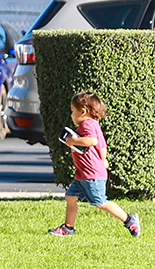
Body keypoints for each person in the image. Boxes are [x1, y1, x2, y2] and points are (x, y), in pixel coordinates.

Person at [52, 92, 141, 237]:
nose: (71, 114)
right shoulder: (94, 124)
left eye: (73, 111)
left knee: (100, 202)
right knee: (71, 197)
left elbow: (92, 141)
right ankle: (68, 228)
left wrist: (73, 141)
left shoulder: (87, 125)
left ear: (83, 111)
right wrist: (103, 159)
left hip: (91, 174)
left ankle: (129, 219)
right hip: (83, 174)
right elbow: (102, 145)